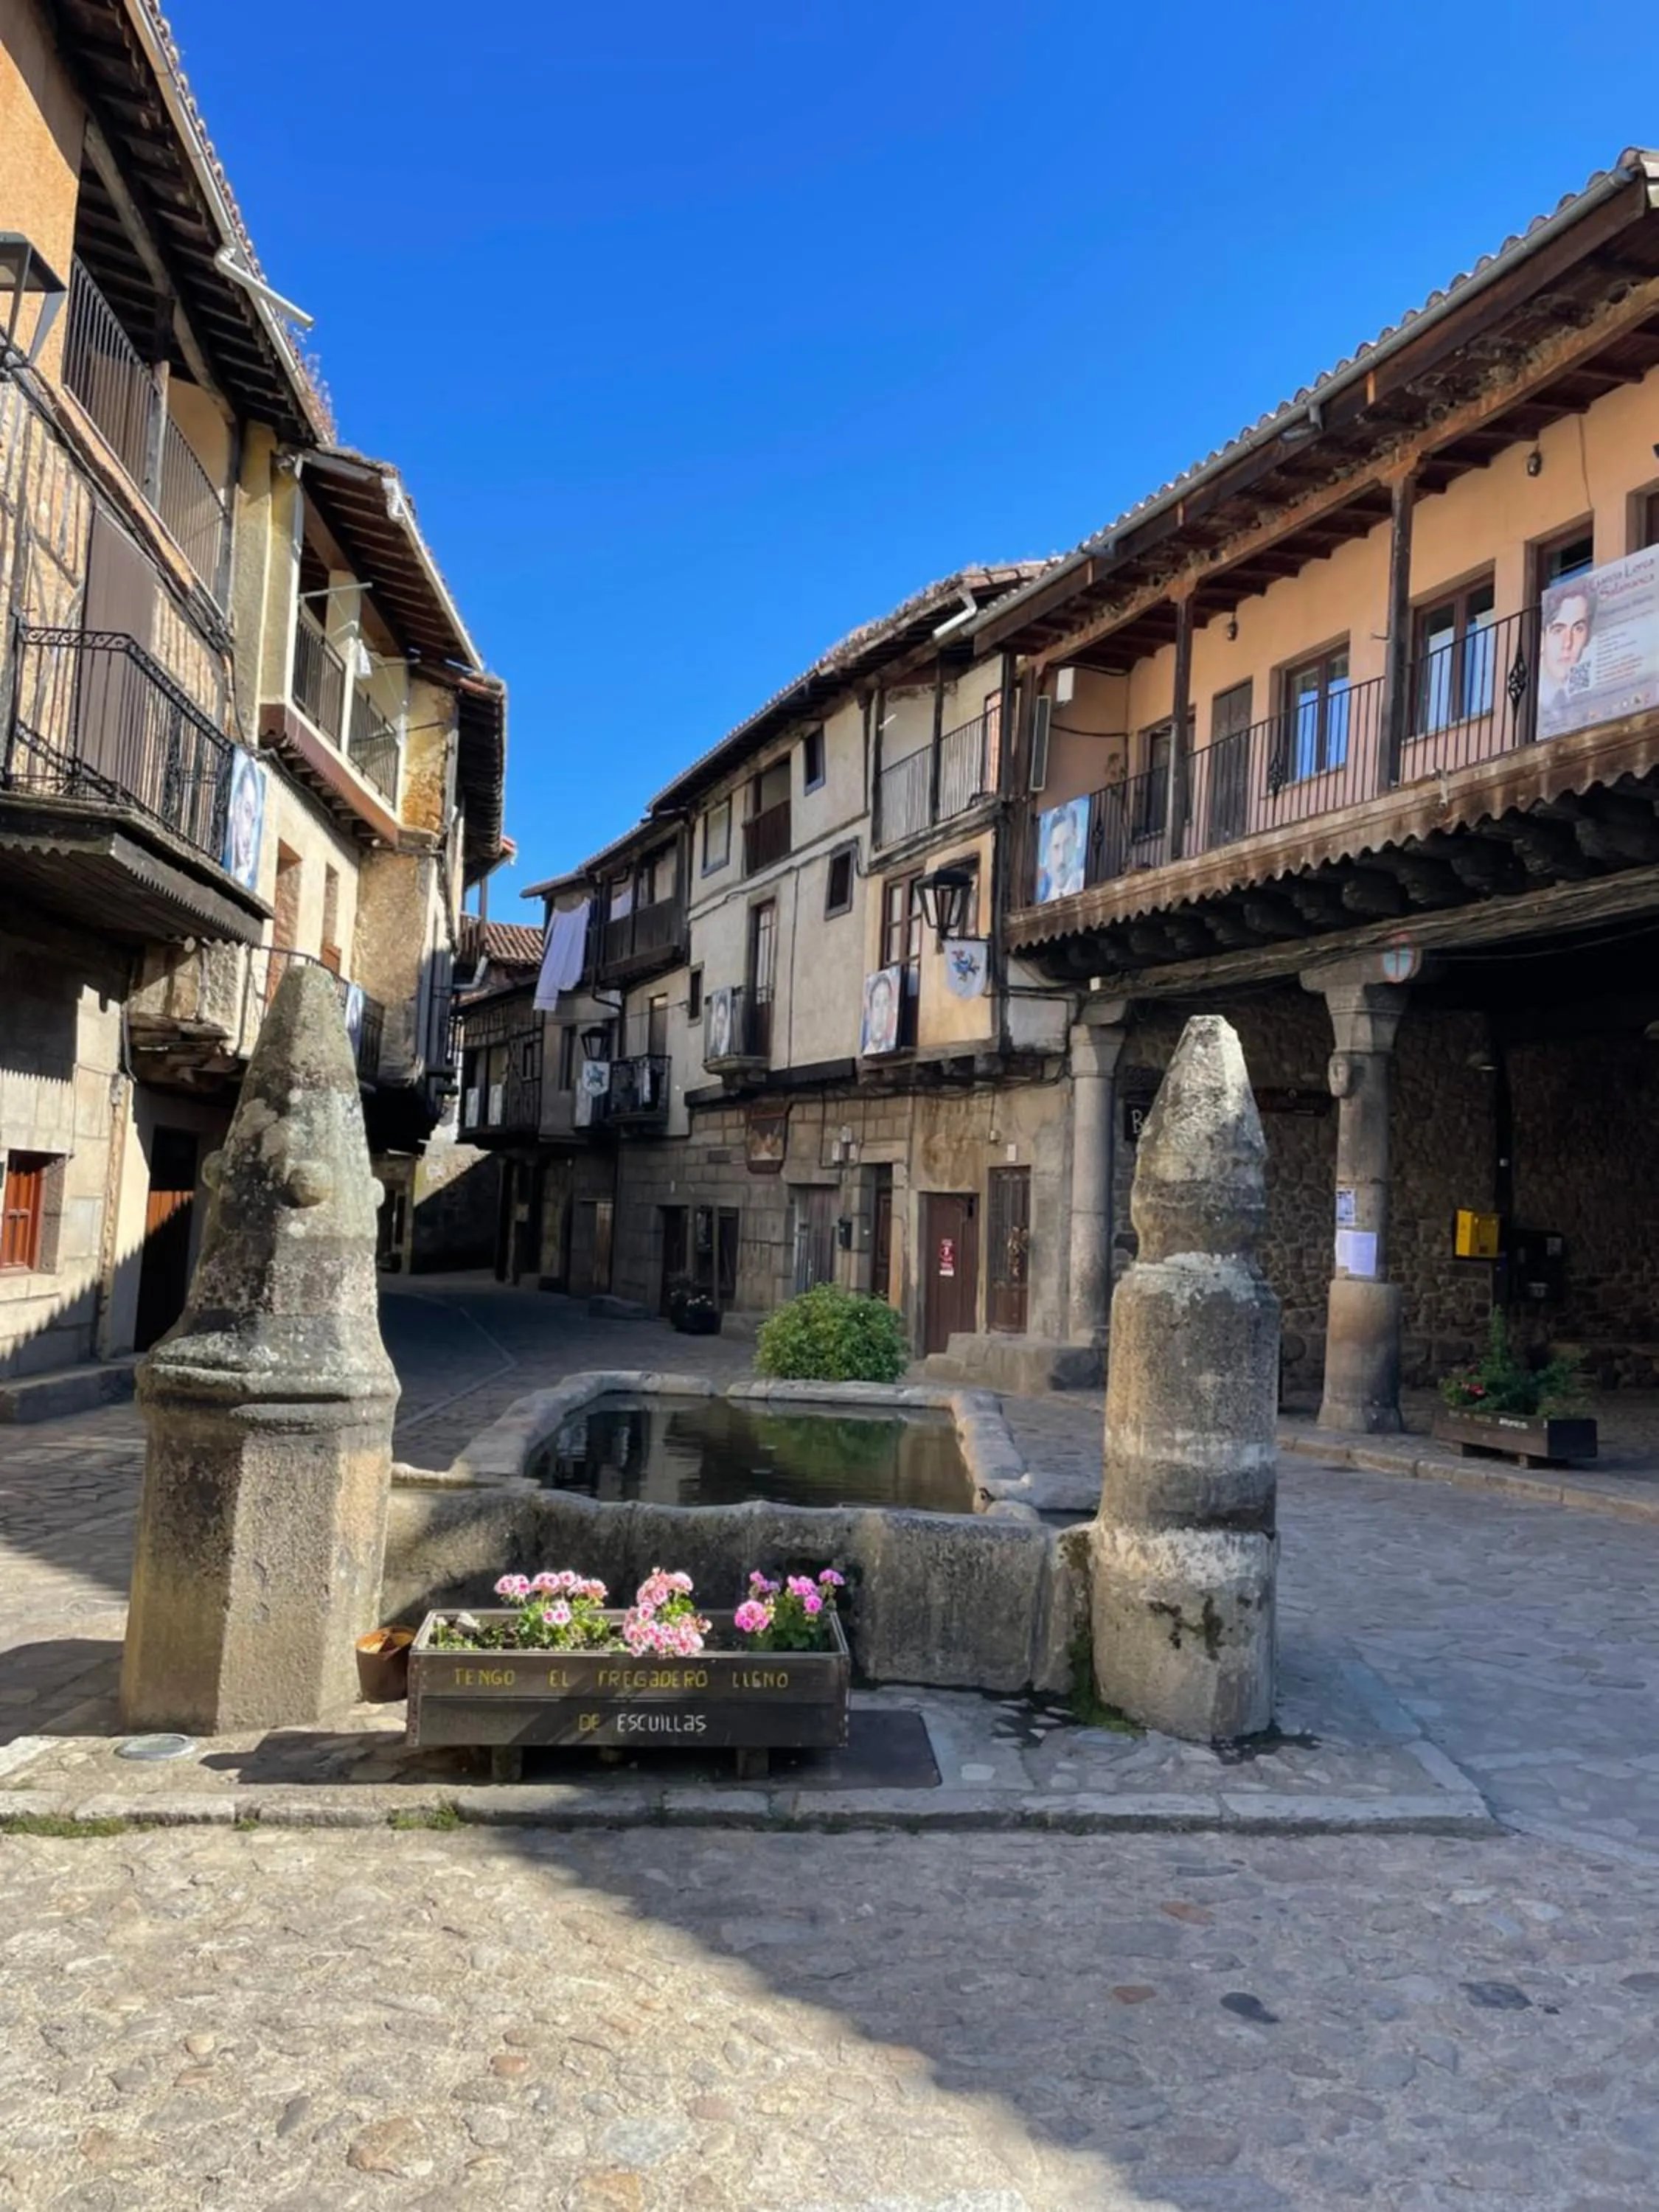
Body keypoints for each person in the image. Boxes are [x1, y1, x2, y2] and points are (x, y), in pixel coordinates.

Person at [1539, 576, 1596, 734]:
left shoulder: (1594, 698)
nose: (1567, 643)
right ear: (1542, 639)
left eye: (1578, 629)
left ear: (1588, 637)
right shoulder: (1533, 707)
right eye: (1558, 630)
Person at [224, 753, 264, 888]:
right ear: (235, 806)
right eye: (247, 811)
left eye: (253, 819)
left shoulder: (245, 874)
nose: (249, 832)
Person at [1037, 801, 1086, 902]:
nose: (1062, 858)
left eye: (1067, 844)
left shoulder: (1085, 882)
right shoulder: (1045, 901)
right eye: (1056, 847)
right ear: (1048, 850)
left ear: (1076, 840)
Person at [863, 968, 897, 1055]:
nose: (881, 1013)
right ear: (870, 1011)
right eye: (877, 1004)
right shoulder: (866, 1051)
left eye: (885, 1003)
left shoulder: (889, 1047)